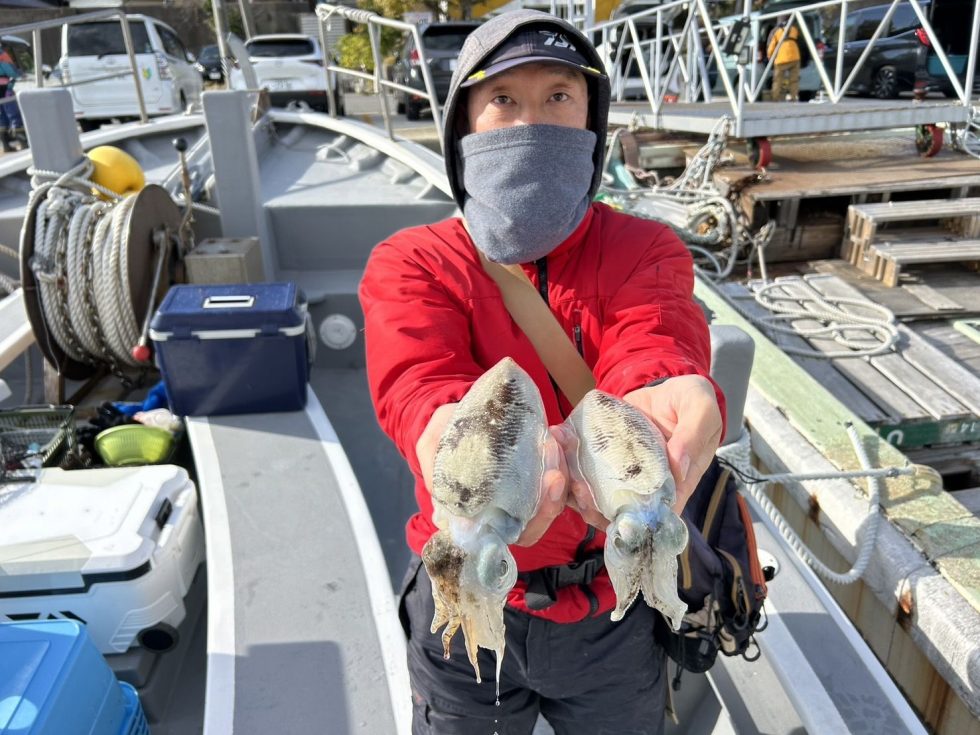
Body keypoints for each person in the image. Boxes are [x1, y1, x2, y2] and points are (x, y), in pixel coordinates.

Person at [359, 10, 727, 734]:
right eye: (503, 100)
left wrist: (660, 395)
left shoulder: (647, 249)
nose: (533, 122)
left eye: (559, 97)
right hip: (459, 595)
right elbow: (418, 384)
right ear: (463, 123)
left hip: (610, 612)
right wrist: (441, 431)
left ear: (592, 122)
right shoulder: (412, 261)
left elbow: (652, 344)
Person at [767, 18, 801, 102]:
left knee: (777, 79)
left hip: (782, 58)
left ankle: (775, 98)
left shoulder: (777, 32)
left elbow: (771, 46)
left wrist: (770, 57)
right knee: (794, 79)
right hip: (795, 56)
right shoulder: (794, 29)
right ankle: (794, 97)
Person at [0, 43, 25, 153]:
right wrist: (18, 73)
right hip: (4, 87)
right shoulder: (2, 54)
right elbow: (12, 72)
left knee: (1, 118)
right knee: (13, 114)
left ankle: (6, 146)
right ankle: (23, 142)